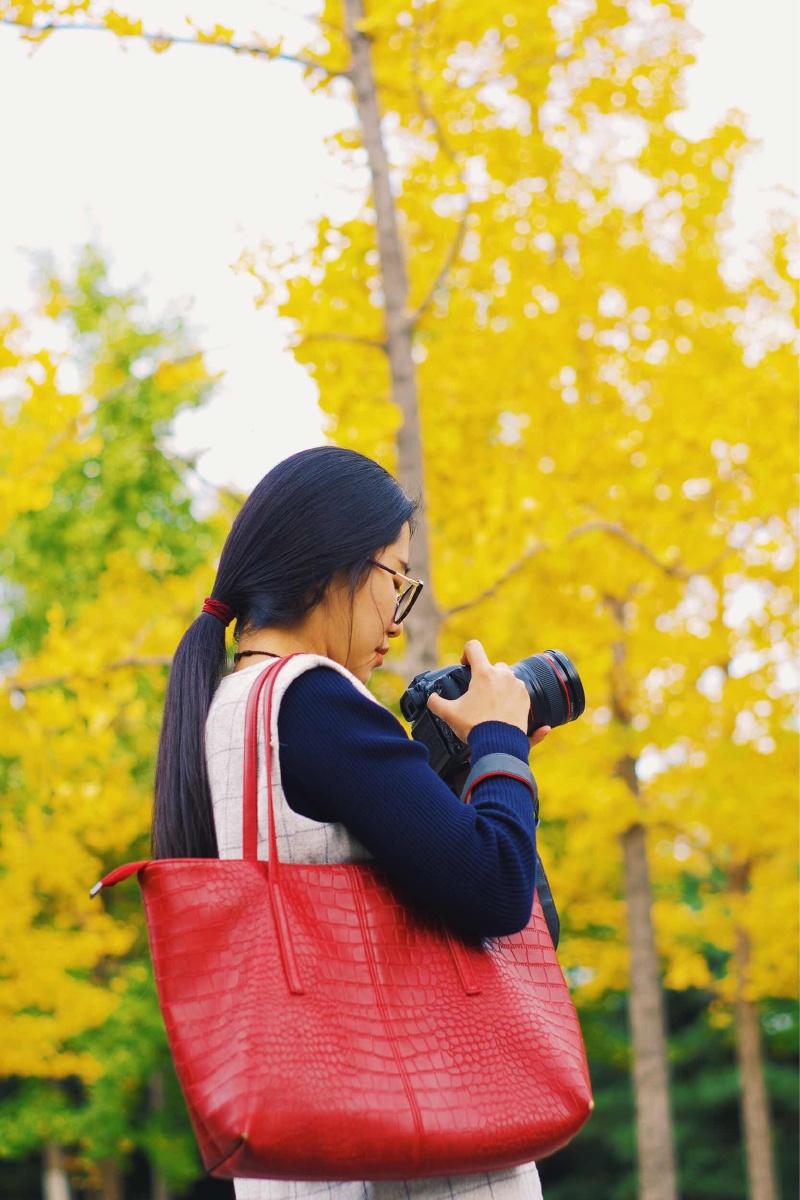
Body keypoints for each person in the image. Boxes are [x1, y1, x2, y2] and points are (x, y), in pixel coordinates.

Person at [152, 445, 551, 1200]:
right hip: (417, 1150)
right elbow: (498, 891)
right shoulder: (315, 700)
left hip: (303, 1160)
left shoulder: (225, 708)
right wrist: (498, 741)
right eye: (395, 580)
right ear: (334, 567)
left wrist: (481, 768)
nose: (398, 622)